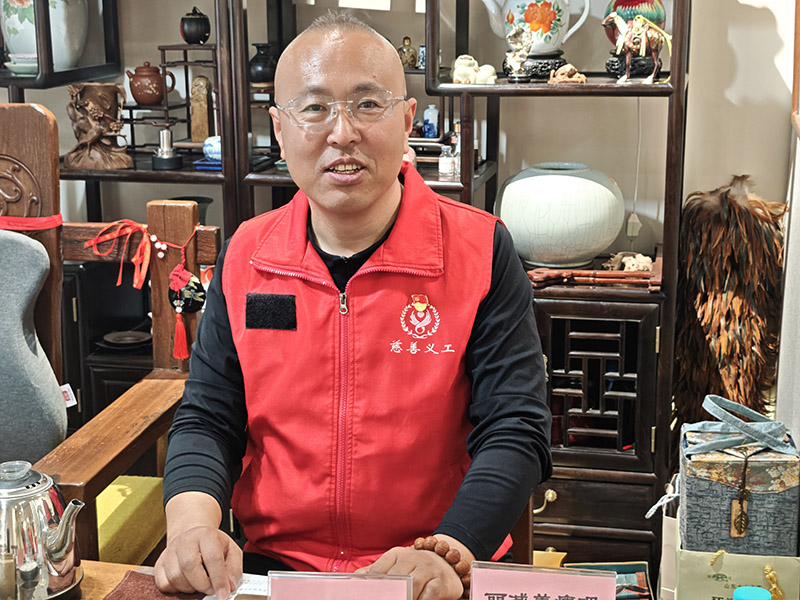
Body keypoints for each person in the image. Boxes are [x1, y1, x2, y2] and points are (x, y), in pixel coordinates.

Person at [154, 12, 552, 600]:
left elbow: (515, 426)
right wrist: (191, 529)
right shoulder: (249, 254)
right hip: (276, 570)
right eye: (314, 108)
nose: (342, 133)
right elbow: (210, 415)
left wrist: (452, 549)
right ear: (279, 129)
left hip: (434, 568)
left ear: (408, 119)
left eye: (368, 105)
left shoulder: (480, 250)